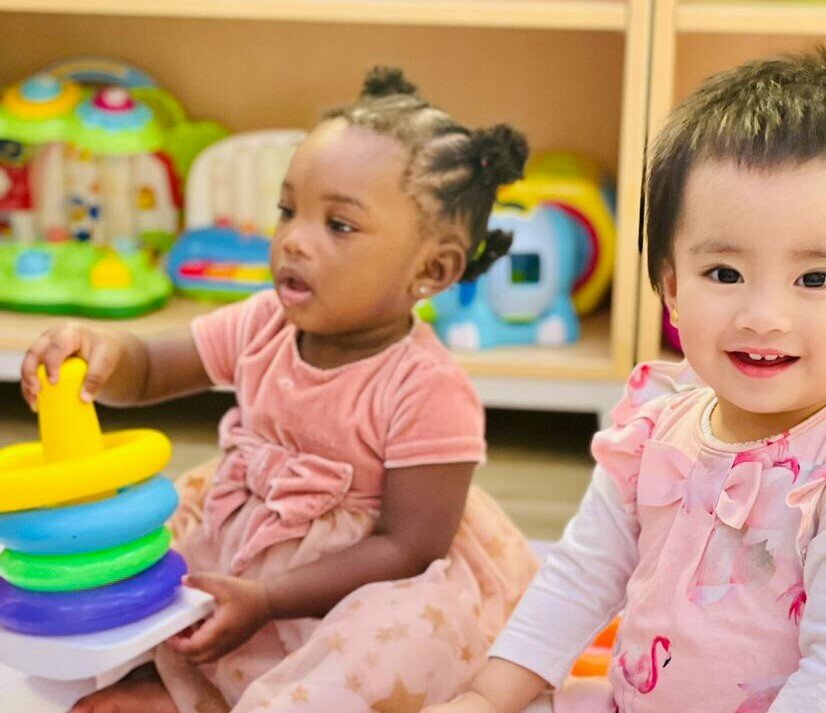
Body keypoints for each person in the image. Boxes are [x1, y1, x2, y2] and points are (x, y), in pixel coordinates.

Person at [425, 47, 826, 713]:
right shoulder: (652, 432)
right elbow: (580, 576)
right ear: (672, 289)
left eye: (815, 279)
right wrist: (486, 695)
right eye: (725, 273)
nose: (763, 316)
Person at [22, 67, 539, 713]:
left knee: (391, 643)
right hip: (244, 534)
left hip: (362, 571)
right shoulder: (262, 320)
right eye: (288, 210)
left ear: (431, 269)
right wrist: (101, 353)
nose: (294, 238)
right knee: (140, 578)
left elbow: (409, 545)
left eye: (339, 225)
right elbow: (151, 370)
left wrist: (269, 599)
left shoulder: (427, 386)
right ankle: (172, 682)